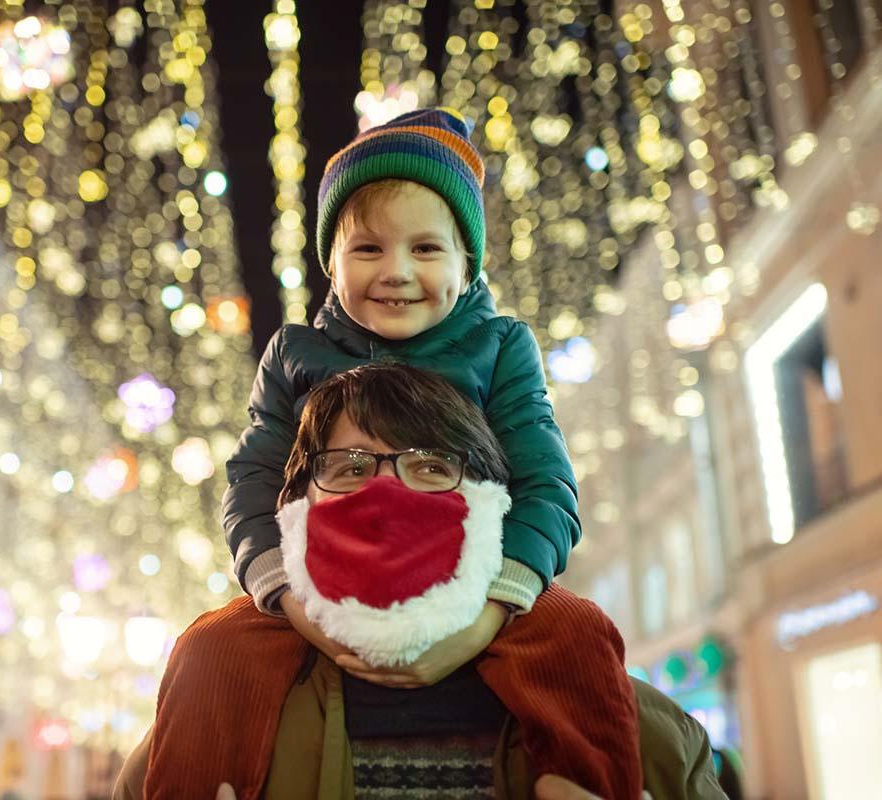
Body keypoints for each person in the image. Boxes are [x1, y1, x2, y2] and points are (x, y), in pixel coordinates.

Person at [144, 108, 641, 799]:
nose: (397, 272)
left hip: (468, 571)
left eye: (427, 250)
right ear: (330, 264)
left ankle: (583, 784)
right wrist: (286, 597)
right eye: (367, 249)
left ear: (467, 264)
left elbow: (545, 481)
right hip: (326, 571)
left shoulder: (499, 349)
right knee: (212, 649)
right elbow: (254, 475)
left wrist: (494, 606)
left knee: (577, 633)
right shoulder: (295, 355)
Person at [121, 364, 724, 799]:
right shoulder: (215, 695)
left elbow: (550, 492)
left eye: (432, 467)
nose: (388, 495)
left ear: (488, 499)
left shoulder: (628, 723)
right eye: (351, 468)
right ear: (300, 499)